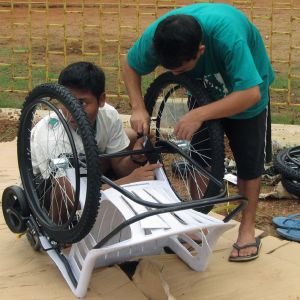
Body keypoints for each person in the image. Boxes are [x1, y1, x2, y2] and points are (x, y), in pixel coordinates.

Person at [122, 3, 275, 262]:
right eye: (169, 70)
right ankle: (198, 220)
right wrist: (138, 108)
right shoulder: (158, 37)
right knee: (200, 159)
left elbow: (251, 93)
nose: (174, 75)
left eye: (180, 71)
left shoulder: (228, 38)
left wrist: (199, 114)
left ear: (200, 50)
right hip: (205, 90)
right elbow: (130, 65)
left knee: (249, 165)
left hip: (245, 93)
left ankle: (246, 229)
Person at [31, 61, 161, 222]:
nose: (72, 111)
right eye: (65, 102)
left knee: (128, 149)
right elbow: (68, 196)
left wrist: (135, 158)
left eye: (81, 103)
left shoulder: (109, 115)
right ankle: (56, 236)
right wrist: (126, 182)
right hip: (50, 188)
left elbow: (119, 165)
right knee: (64, 189)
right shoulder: (51, 133)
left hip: (89, 171)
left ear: (101, 100)